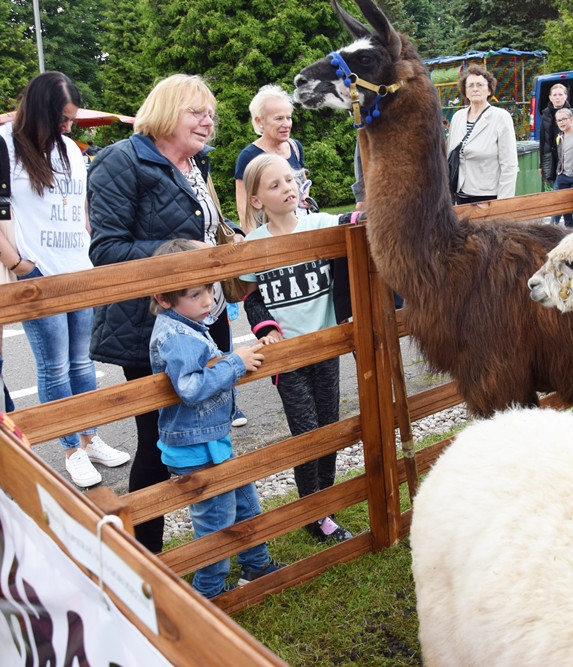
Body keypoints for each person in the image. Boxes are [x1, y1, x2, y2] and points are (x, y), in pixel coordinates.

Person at [87, 73, 241, 553]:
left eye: (210, 113)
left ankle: (217, 543)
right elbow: (107, 250)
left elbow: (207, 224)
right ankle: (144, 557)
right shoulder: (121, 160)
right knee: (159, 443)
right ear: (165, 111)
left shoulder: (200, 165)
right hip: (148, 331)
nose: (207, 120)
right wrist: (182, 253)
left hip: (206, 318)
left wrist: (229, 238)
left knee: (209, 429)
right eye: (196, 110)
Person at [0, 71, 130, 488]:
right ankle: (71, 447)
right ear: (40, 109)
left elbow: (80, 208)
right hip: (36, 275)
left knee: (82, 362)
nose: (68, 126)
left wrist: (92, 251)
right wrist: (17, 262)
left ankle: (90, 437)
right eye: (63, 119)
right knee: (54, 366)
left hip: (78, 268)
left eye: (72, 119)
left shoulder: (71, 150)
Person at [148, 239, 282, 597]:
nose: (208, 300)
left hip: (211, 439)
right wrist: (237, 363)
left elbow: (210, 363)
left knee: (245, 504)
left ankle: (257, 565)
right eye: (196, 294)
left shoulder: (188, 323)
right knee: (215, 522)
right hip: (194, 449)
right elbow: (190, 387)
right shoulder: (175, 335)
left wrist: (246, 352)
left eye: (209, 288)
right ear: (164, 298)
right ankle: (209, 592)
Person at [238, 153, 354, 543]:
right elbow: (251, 298)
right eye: (275, 185)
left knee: (330, 428)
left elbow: (356, 228)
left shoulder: (319, 224)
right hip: (287, 358)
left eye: (289, 180)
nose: (287, 188)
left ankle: (327, 502)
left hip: (325, 349)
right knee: (307, 434)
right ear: (257, 201)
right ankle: (313, 509)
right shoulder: (255, 245)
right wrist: (265, 329)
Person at [233, 85, 312, 230]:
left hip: (301, 229)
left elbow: (302, 182)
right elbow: (244, 210)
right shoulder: (248, 156)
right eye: (279, 119)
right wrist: (255, 241)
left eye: (288, 118)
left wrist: (304, 197)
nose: (286, 124)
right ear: (259, 121)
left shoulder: (295, 147)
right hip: (269, 235)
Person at [446, 64, 518, 204]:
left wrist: (503, 203)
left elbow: (509, 164)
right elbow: (451, 155)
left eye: (480, 85)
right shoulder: (457, 117)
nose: (475, 89)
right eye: (470, 85)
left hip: (489, 197)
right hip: (460, 194)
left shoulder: (500, 117)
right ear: (465, 91)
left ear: (489, 90)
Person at [539, 83, 573, 189]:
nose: (557, 98)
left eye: (560, 94)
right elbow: (543, 142)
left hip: (571, 160)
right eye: (555, 95)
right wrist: (541, 165)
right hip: (551, 159)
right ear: (550, 97)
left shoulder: (572, 114)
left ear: (565, 96)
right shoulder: (545, 115)